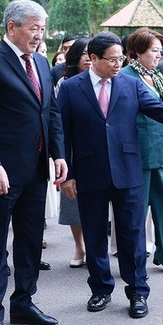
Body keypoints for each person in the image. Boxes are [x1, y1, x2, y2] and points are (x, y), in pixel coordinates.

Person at [57, 32, 163, 318]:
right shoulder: (71, 88)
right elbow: (63, 131)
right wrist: (67, 173)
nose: (118, 64)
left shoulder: (131, 84)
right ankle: (100, 289)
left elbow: (160, 110)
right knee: (94, 234)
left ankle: (138, 292)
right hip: (89, 171)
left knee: (133, 235)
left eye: (121, 58)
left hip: (128, 170)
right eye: (112, 59)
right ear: (93, 59)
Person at [0, 0, 67, 325]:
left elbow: (49, 112)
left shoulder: (40, 61)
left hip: (37, 169)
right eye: (33, 28)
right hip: (1, 172)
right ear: (12, 28)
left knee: (29, 242)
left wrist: (58, 154)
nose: (39, 36)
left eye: (42, 29)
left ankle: (23, 303)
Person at [120, 28, 163, 275]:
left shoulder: (156, 77)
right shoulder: (124, 77)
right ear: (137, 52)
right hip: (137, 155)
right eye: (153, 50)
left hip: (162, 153)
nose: (158, 55)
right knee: (136, 213)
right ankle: (133, 261)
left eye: (159, 50)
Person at [54, 37, 91, 268]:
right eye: (84, 54)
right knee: (72, 200)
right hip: (72, 149)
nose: (88, 58)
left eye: (92, 53)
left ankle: (94, 245)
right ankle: (79, 245)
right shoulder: (64, 84)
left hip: (95, 149)